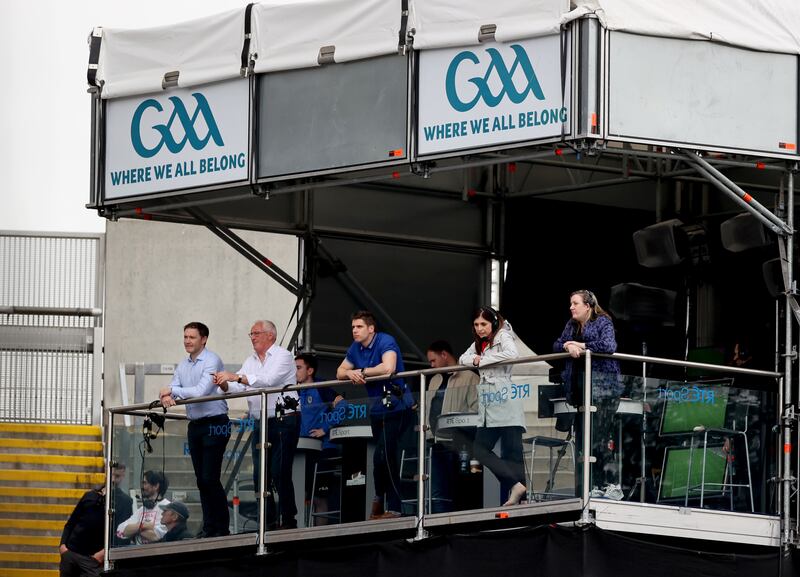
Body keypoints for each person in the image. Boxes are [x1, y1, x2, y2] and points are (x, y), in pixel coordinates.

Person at [214, 319, 299, 530]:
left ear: (271, 335)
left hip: (284, 419)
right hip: (261, 422)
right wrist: (224, 383)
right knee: (260, 475)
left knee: (280, 472)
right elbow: (236, 387)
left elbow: (268, 380)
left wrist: (236, 377)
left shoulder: (283, 356)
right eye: (251, 334)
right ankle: (267, 521)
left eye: (256, 333)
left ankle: (288, 520)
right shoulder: (250, 360)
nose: (253, 337)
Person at [337, 310, 415, 519]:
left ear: (371, 329)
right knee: (378, 457)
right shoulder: (355, 347)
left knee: (386, 456)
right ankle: (379, 499)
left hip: (397, 407)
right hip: (377, 409)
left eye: (359, 326)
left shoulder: (385, 340)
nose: (354, 330)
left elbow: (388, 367)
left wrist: (361, 372)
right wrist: (350, 373)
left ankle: (394, 507)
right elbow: (339, 372)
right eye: (353, 327)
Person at [160, 321, 229, 538]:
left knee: (210, 478)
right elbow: (174, 388)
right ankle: (210, 528)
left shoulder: (212, 360)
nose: (187, 341)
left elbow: (201, 391)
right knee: (201, 480)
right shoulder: (182, 365)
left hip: (215, 423)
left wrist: (172, 390)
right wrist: (167, 395)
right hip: (196, 425)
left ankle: (221, 529)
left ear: (204, 339)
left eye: (192, 337)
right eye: (185, 337)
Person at [553, 289, 622, 499]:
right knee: (584, 438)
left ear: (588, 305)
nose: (571, 307)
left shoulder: (603, 321)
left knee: (600, 437)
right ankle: (593, 484)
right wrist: (567, 344)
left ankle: (611, 483)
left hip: (604, 389)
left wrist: (581, 346)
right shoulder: (571, 325)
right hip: (581, 389)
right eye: (571, 303)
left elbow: (609, 345)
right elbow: (556, 344)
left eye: (575, 303)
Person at [459, 306, 527, 507]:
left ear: (493, 323)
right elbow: (463, 358)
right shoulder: (479, 343)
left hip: (505, 398)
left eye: (484, 324)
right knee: (480, 450)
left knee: (512, 451)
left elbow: (512, 354)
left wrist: (483, 361)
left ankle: (520, 497)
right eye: (476, 324)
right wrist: (475, 359)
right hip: (489, 403)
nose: (480, 328)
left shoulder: (503, 335)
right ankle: (515, 486)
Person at [426, 340, 479, 513]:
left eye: (433, 360)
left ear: (444, 355)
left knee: (459, 487)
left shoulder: (470, 377)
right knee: (437, 491)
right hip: (435, 442)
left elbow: (476, 408)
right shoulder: (434, 380)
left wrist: (459, 427)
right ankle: (440, 529)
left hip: (458, 442)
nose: (431, 365)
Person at [296, 353, 343, 524]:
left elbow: (343, 405)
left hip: (323, 449)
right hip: (300, 451)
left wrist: (325, 428)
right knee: (301, 495)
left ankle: (318, 537)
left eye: (298, 368)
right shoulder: (293, 389)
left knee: (318, 497)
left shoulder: (323, 387)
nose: (295, 372)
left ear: (310, 370)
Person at [59, 483, 106, 576]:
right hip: (70, 552)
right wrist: (63, 546)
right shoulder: (89, 496)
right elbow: (71, 523)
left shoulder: (122, 501)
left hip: (92, 559)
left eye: (117, 476)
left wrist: (101, 555)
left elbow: (120, 534)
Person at [115, 470, 169, 544]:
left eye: (145, 483)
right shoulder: (142, 509)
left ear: (156, 486)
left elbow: (156, 536)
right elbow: (120, 530)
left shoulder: (167, 508)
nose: (142, 487)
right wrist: (145, 526)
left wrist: (133, 531)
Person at [110, 463, 133, 546]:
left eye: (117, 476)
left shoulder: (126, 501)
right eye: (111, 475)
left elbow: (122, 531)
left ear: (123, 476)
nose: (112, 479)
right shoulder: (92, 496)